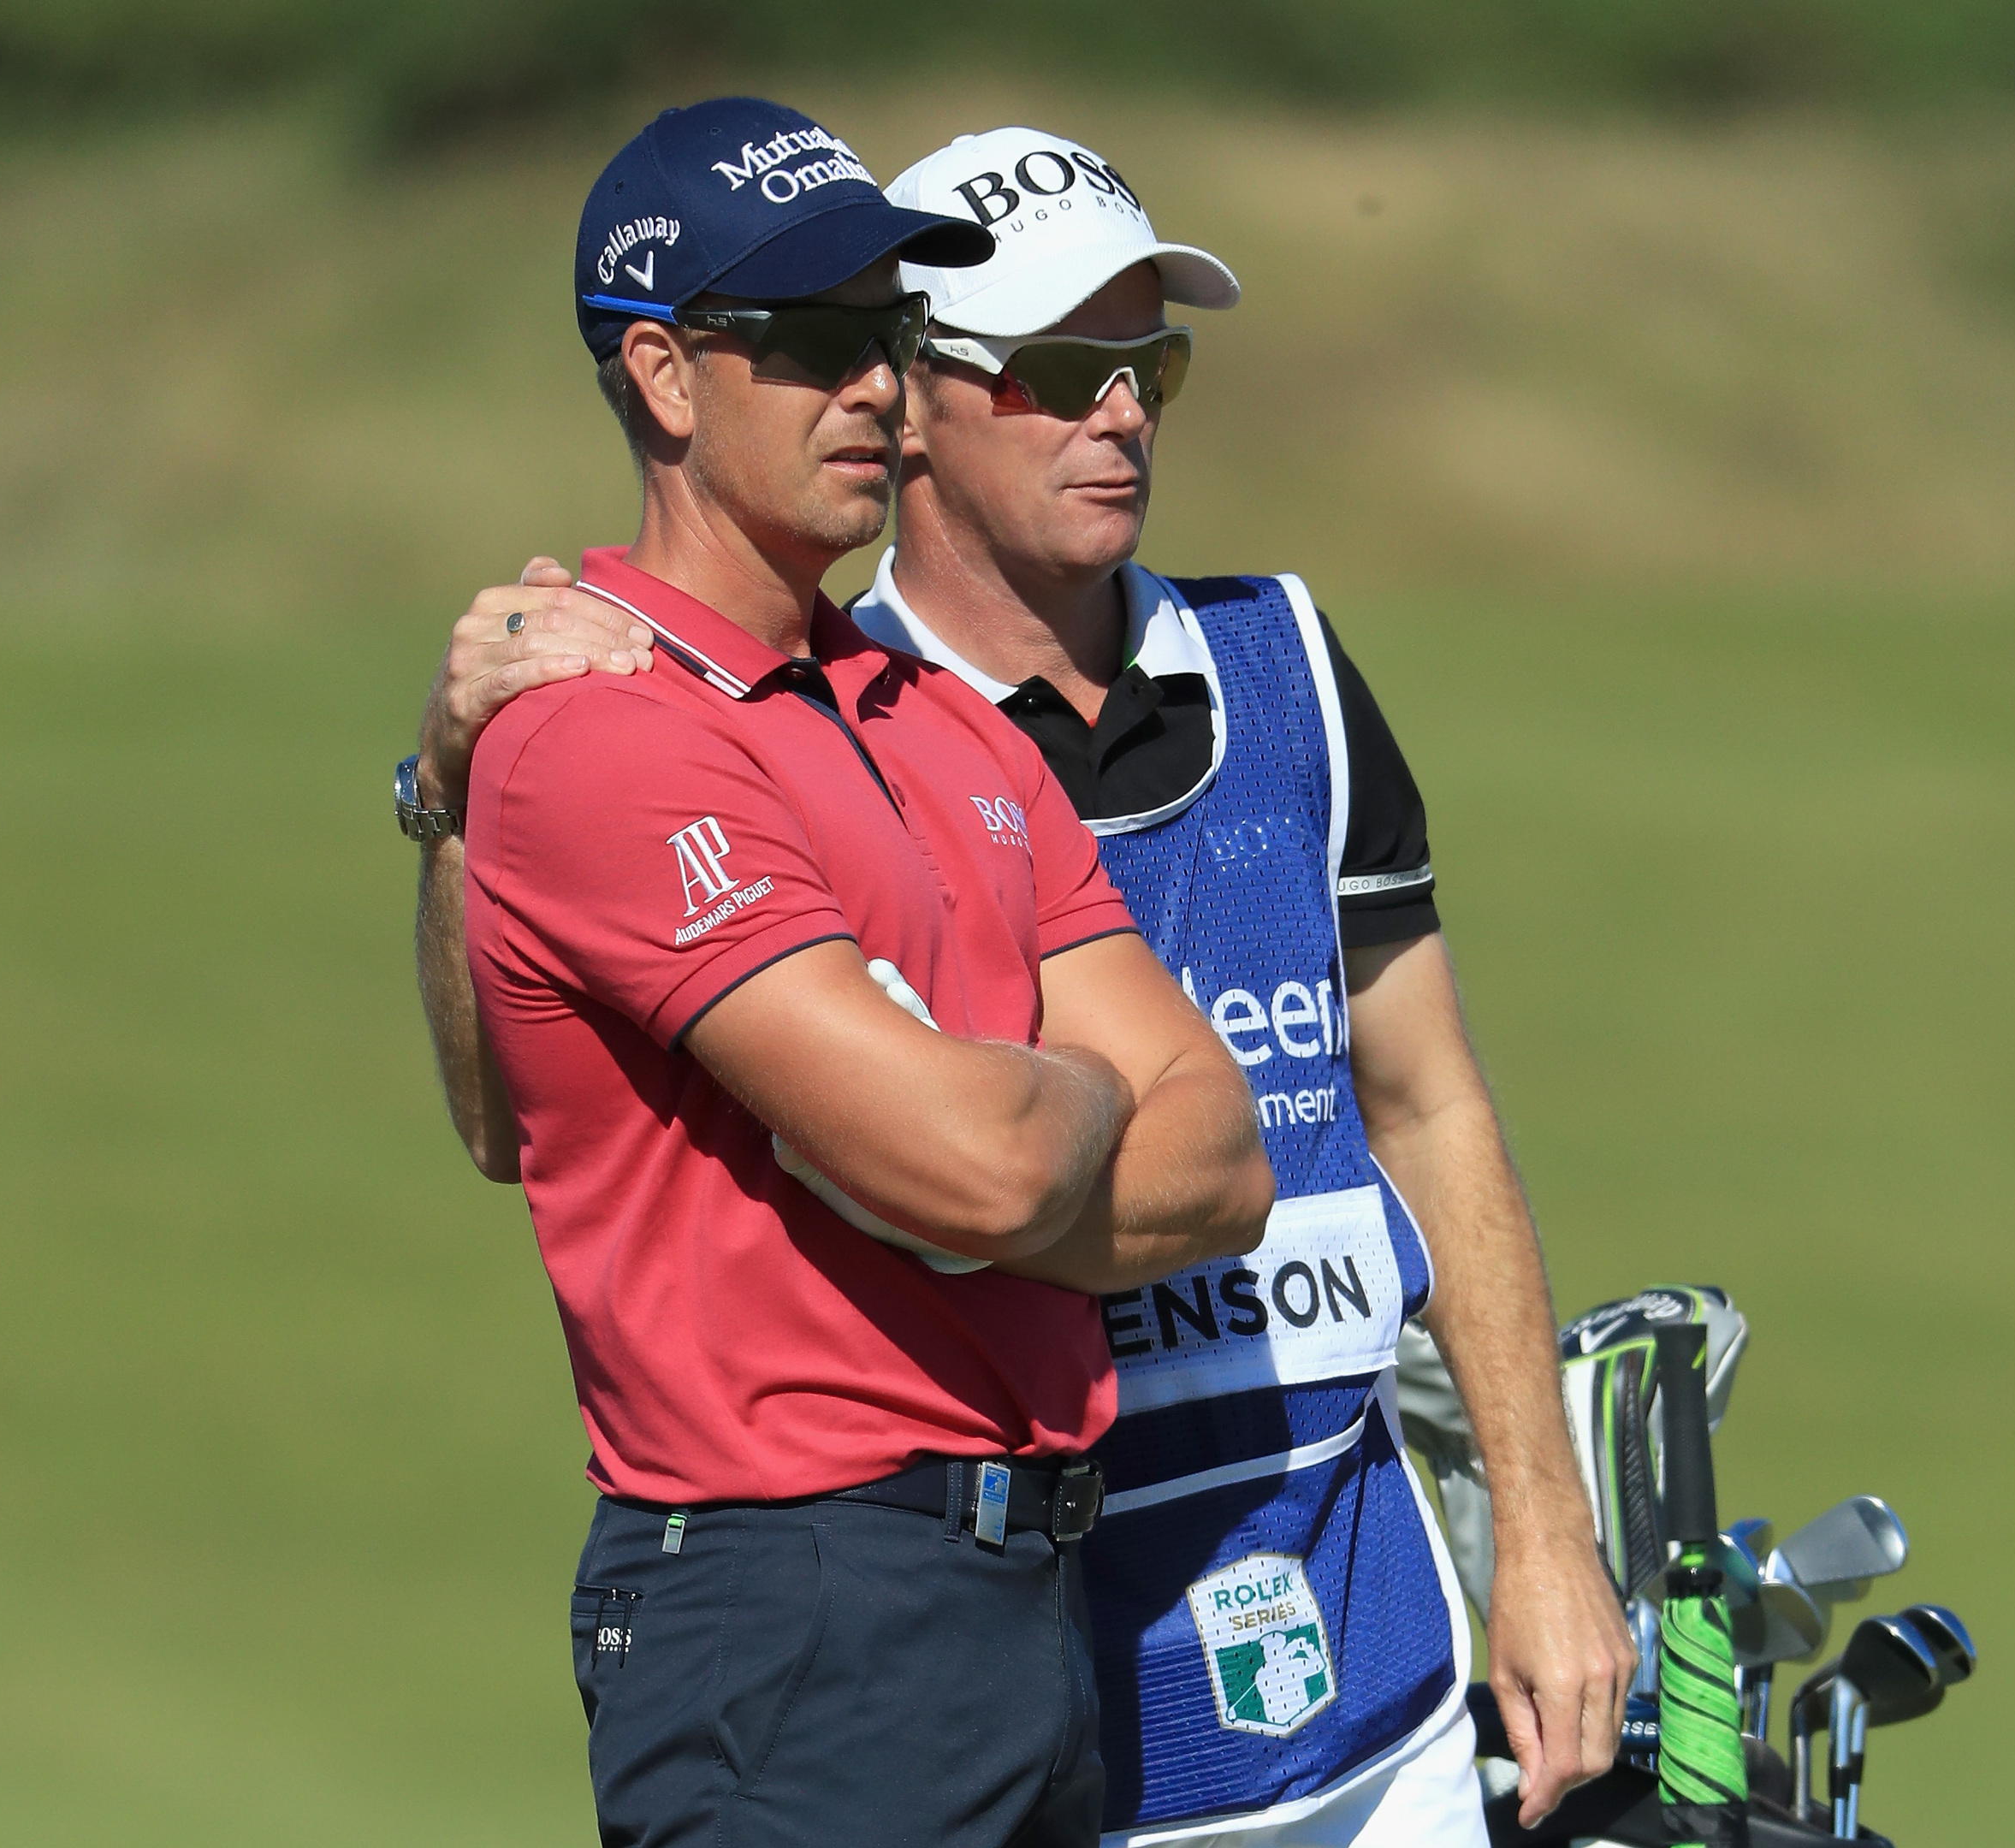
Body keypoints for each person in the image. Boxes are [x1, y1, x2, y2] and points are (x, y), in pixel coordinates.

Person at [412, 125, 1631, 1845]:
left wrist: (1547, 1533)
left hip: (1212, 1605)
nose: (1120, 412)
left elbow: (1285, 1138)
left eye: (1151, 368)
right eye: (1060, 370)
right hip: (870, 1599)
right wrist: (443, 779)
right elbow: (552, 1121)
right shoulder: (647, 724)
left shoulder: (981, 723)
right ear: (673, 377)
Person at [399, 98, 1274, 1848]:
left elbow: (1222, 1160)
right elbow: (986, 1161)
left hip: (1021, 1603)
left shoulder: (945, 719)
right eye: (809, 342)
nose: (876, 388)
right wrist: (1039, 1118)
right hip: (793, 1610)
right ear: (661, 375)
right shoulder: (603, 732)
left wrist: (1009, 1127)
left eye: (886, 336)